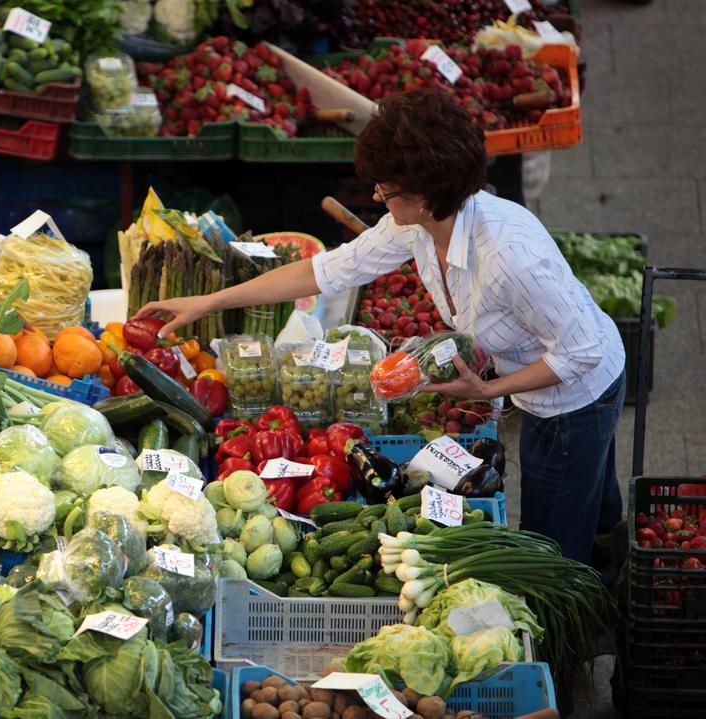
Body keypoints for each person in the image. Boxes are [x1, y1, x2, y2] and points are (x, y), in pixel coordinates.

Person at [136, 88, 625, 569]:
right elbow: (325, 271)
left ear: (426, 195)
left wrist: (490, 388)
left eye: (385, 189)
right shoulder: (419, 224)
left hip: (572, 400)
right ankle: (615, 570)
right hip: (550, 375)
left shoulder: (510, 255)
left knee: (553, 548)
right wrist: (207, 302)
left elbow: (580, 353)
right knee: (596, 511)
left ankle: (585, 627)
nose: (375, 195)